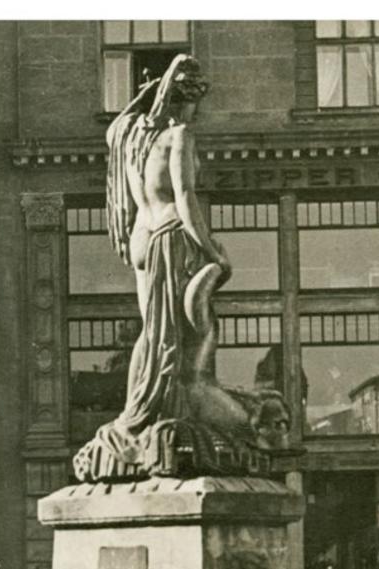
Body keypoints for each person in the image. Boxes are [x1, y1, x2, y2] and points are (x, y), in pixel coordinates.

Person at [74, 55, 285, 482]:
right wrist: (214, 251)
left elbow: (120, 131)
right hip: (174, 237)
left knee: (155, 335)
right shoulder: (179, 136)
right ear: (190, 101)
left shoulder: (132, 140)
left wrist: (141, 99)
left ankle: (138, 410)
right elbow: (186, 197)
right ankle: (155, 413)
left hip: (145, 240)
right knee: (180, 335)